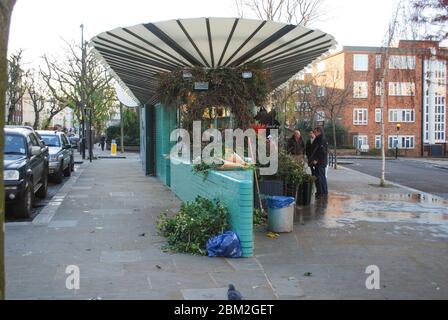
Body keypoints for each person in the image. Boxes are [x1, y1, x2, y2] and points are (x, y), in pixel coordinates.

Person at [309, 127, 328, 198]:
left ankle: (321, 192)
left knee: (319, 177)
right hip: (321, 162)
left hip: (320, 162)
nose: (314, 133)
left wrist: (316, 159)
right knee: (322, 177)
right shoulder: (321, 138)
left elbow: (322, 151)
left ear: (319, 132)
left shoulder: (320, 139)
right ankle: (323, 192)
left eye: (315, 132)